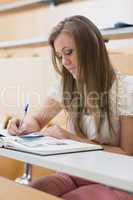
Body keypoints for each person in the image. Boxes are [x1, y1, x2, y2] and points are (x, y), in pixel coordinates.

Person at [7, 15, 133, 200]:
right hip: (75, 173)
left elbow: (126, 153)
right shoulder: (66, 85)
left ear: (91, 48)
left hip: (116, 181)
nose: (65, 62)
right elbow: (37, 120)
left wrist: (72, 138)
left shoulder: (125, 89)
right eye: (60, 56)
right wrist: (23, 124)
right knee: (30, 193)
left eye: (69, 52)